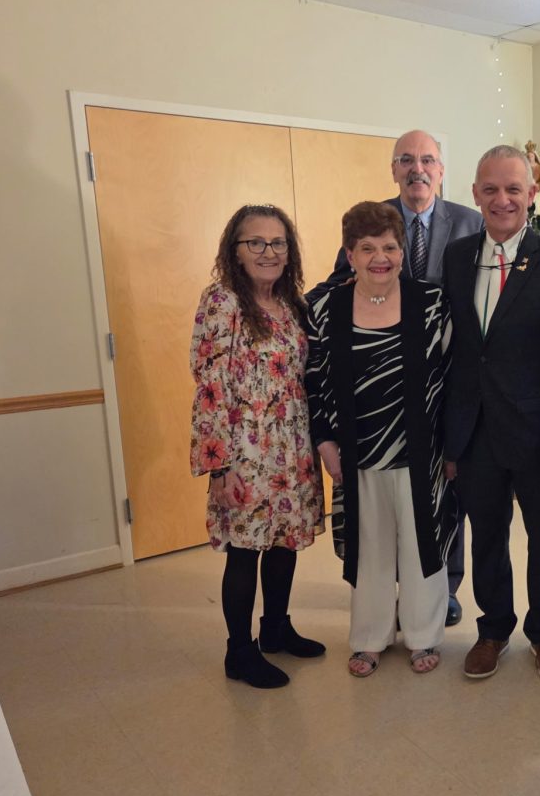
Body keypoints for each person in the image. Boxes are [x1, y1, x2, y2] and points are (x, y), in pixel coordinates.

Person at [307, 130, 482, 627]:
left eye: (427, 159)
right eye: (406, 160)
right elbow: (337, 288)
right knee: (378, 522)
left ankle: (444, 591)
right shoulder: (372, 218)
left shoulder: (470, 224)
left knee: (440, 508)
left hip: (437, 386)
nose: (416, 169)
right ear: (393, 169)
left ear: (441, 170)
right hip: (371, 399)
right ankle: (385, 605)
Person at [442, 145, 540, 683]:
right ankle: (493, 630)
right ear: (475, 194)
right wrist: (450, 442)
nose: (501, 199)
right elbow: (456, 354)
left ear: (531, 194)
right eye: (490, 189)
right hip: (474, 430)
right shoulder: (456, 257)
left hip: (536, 434)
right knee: (486, 537)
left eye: (512, 189)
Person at [306, 201, 456, 677]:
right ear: (349, 254)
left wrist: (453, 446)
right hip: (357, 450)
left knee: (421, 545)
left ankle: (424, 635)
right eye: (367, 248)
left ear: (402, 252)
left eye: (389, 247)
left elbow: (453, 376)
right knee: (368, 546)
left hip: (422, 449)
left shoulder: (431, 302)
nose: (380, 258)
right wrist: (324, 441)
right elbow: (313, 380)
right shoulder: (325, 307)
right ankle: (369, 639)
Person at [189, 204, 326, 689]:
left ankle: (276, 629)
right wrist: (218, 465)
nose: (269, 252)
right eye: (256, 242)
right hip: (244, 452)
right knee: (245, 551)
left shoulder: (292, 304)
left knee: (285, 541)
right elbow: (209, 385)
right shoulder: (222, 301)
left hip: (291, 446)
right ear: (236, 250)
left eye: (278, 243)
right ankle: (239, 651)